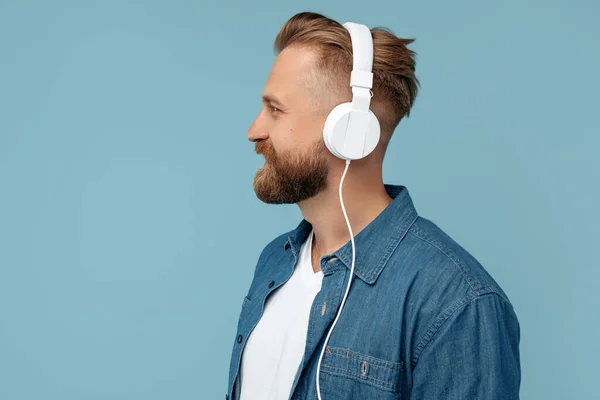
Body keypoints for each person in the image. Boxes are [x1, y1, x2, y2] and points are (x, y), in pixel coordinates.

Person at [226, 11, 521, 400]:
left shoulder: (457, 303)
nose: (254, 131)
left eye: (276, 110)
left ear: (348, 132)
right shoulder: (274, 262)